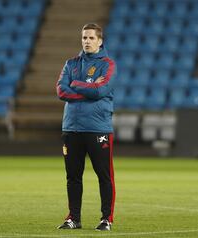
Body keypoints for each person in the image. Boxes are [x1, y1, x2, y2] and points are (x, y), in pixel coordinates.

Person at [56, 23, 117, 231]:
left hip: (98, 128)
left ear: (100, 41)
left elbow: (101, 91)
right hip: (72, 128)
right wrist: (88, 87)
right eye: (84, 38)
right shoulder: (70, 63)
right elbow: (61, 91)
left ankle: (106, 219)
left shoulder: (108, 64)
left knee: (104, 175)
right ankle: (74, 218)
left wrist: (76, 84)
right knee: (73, 177)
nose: (87, 41)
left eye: (91, 38)